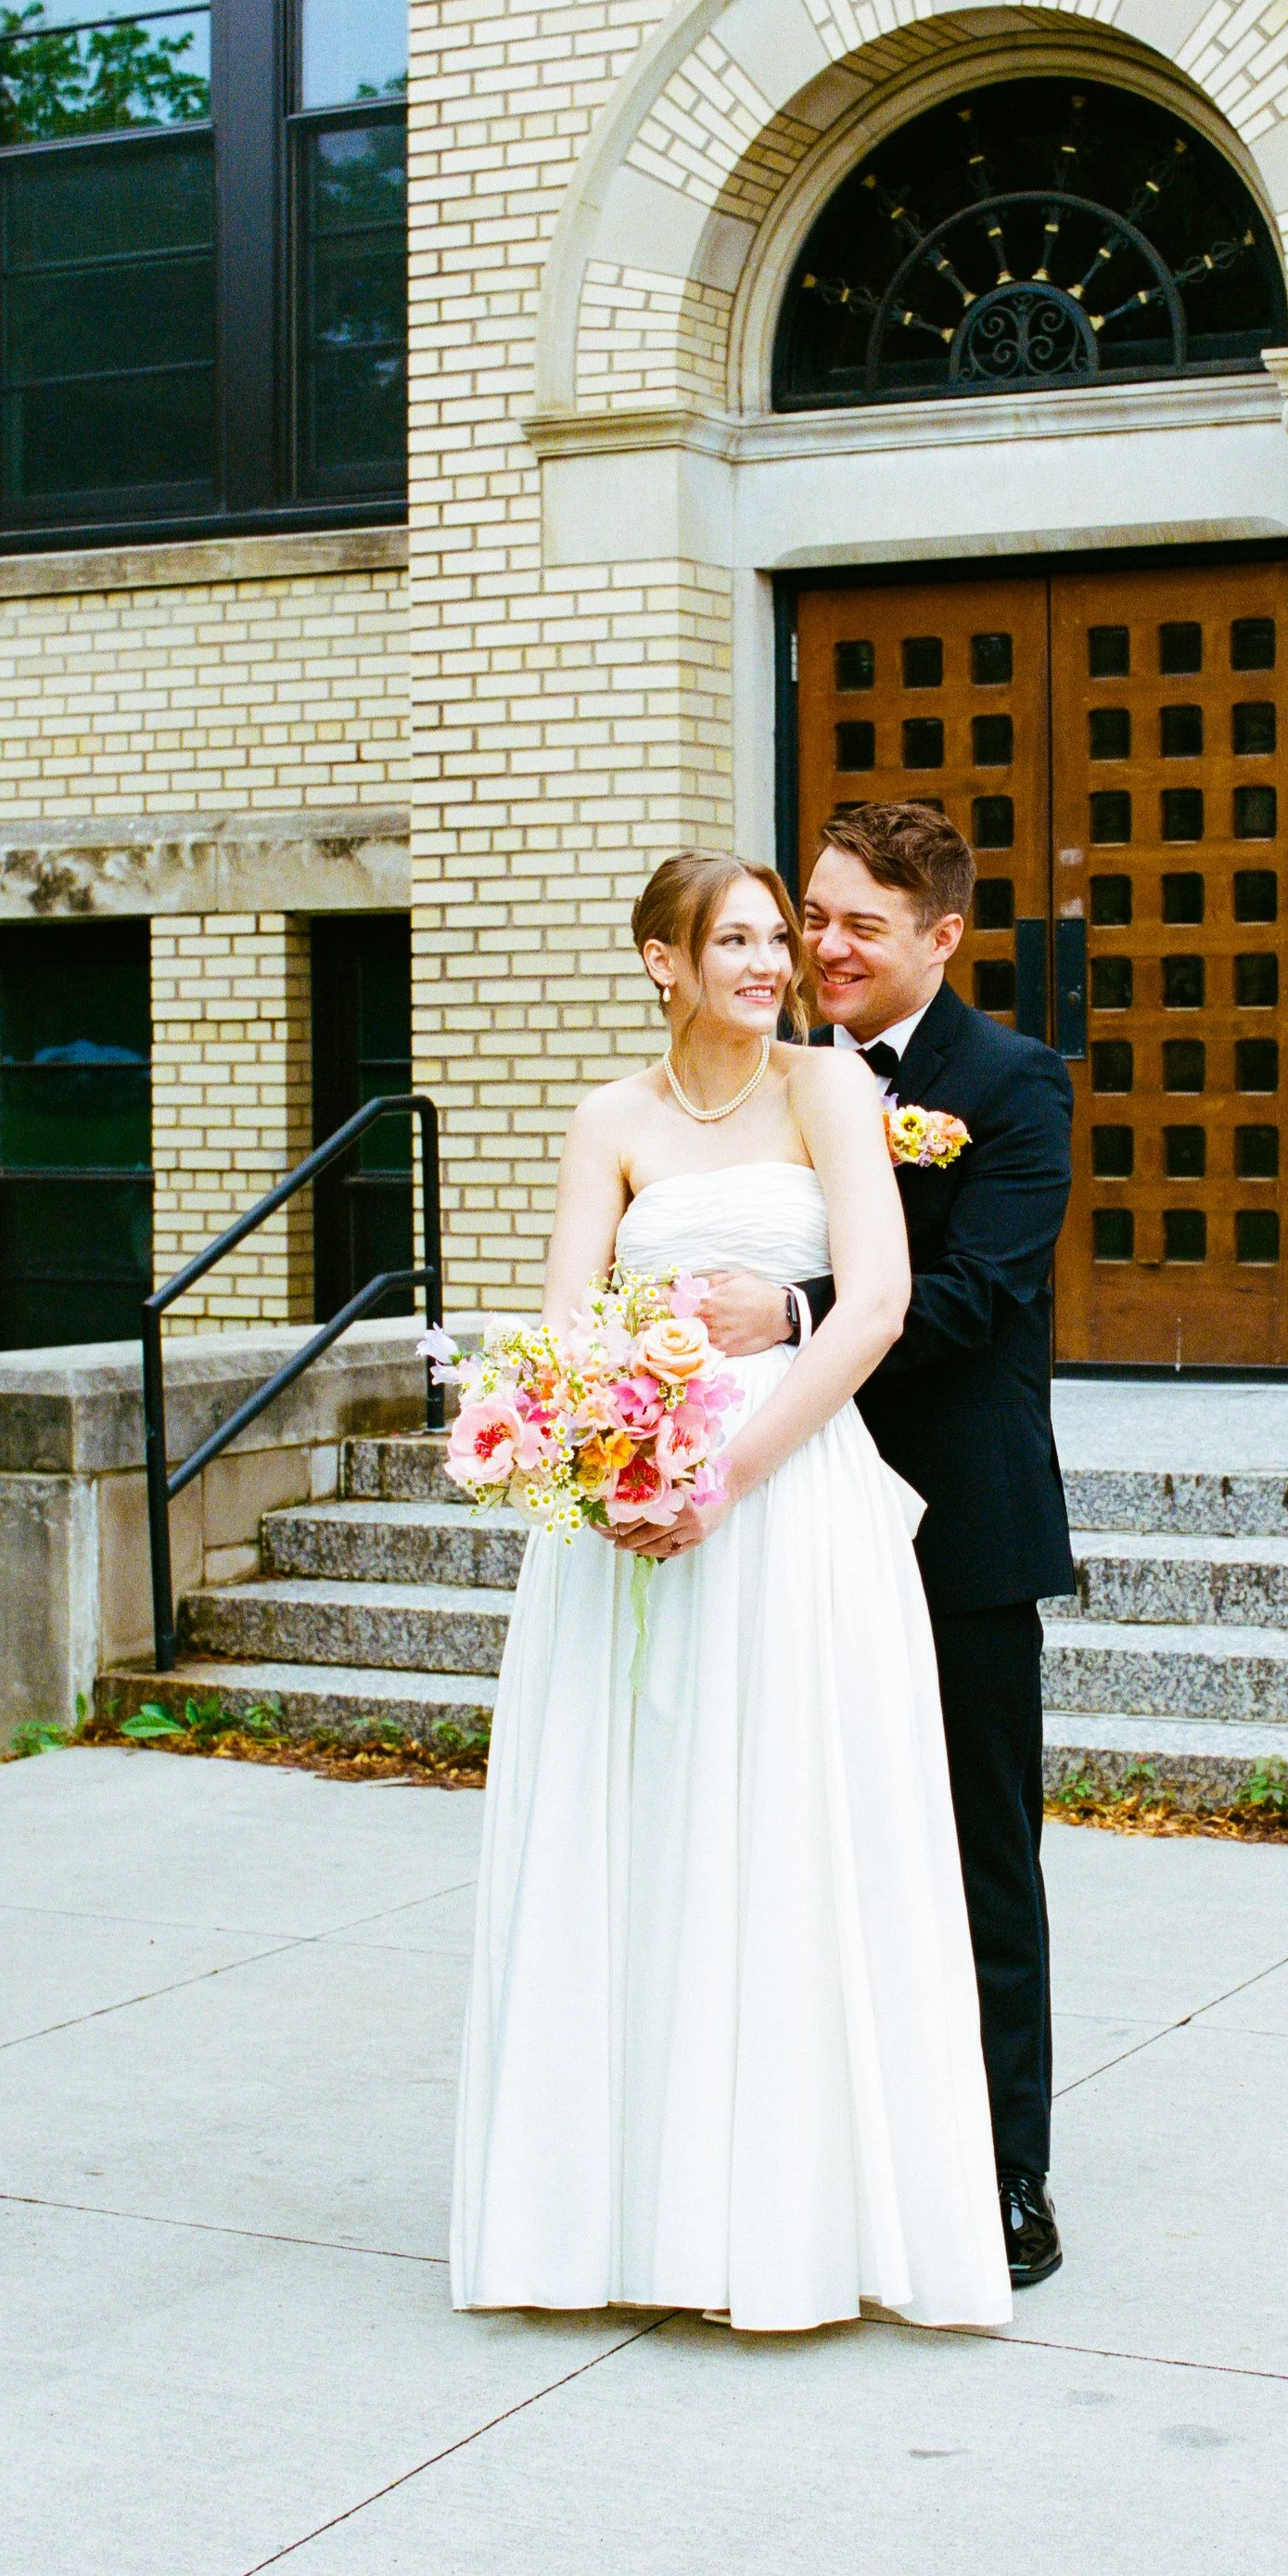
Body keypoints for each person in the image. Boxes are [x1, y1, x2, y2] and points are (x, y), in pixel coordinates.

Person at [450, 850, 1013, 2333]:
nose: (776, 964)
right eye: (744, 941)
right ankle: (618, 2221)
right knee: (642, 1826)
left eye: (784, 938)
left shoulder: (830, 1092)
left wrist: (732, 1472)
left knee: (791, 1828)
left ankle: (793, 2223)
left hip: (789, 1495)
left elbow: (878, 1304)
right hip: (629, 1515)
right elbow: (571, 1317)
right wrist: (604, 1457)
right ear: (663, 961)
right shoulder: (608, 1122)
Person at [697, 802, 1075, 2286]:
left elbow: (976, 1293)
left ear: (943, 937)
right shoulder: (767, 1083)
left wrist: (790, 1314)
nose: (827, 948)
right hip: (791, 1522)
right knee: (802, 1843)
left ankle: (1003, 2175)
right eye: (816, 917)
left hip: (956, 1529)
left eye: (862, 923)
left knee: (982, 1859)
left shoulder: (1016, 1083)